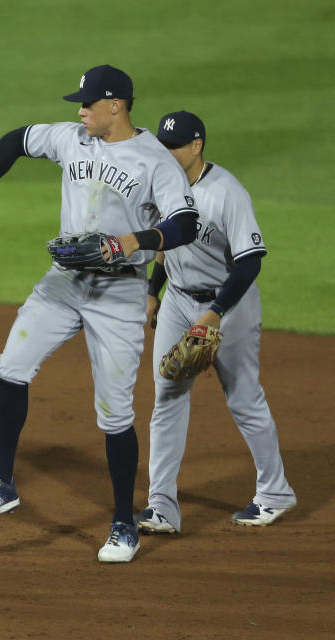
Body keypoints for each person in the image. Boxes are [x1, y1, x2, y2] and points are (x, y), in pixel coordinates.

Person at [0, 65, 200, 563]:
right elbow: (15, 140)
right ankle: (2, 485)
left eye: (88, 103)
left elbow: (185, 224)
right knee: (11, 368)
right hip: (64, 281)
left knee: (114, 412)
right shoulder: (71, 139)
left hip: (120, 292)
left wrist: (131, 241)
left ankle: (125, 523)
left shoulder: (154, 162)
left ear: (116, 106)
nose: (79, 111)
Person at [136, 111, 296, 534]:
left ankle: (275, 492)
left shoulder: (227, 193)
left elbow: (249, 264)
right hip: (178, 300)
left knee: (243, 397)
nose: (166, 154)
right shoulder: (163, 186)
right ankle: (162, 507)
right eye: (162, 147)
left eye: (174, 147)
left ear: (197, 146)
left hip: (230, 303)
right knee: (167, 396)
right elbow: (165, 245)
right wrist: (154, 291)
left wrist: (214, 315)